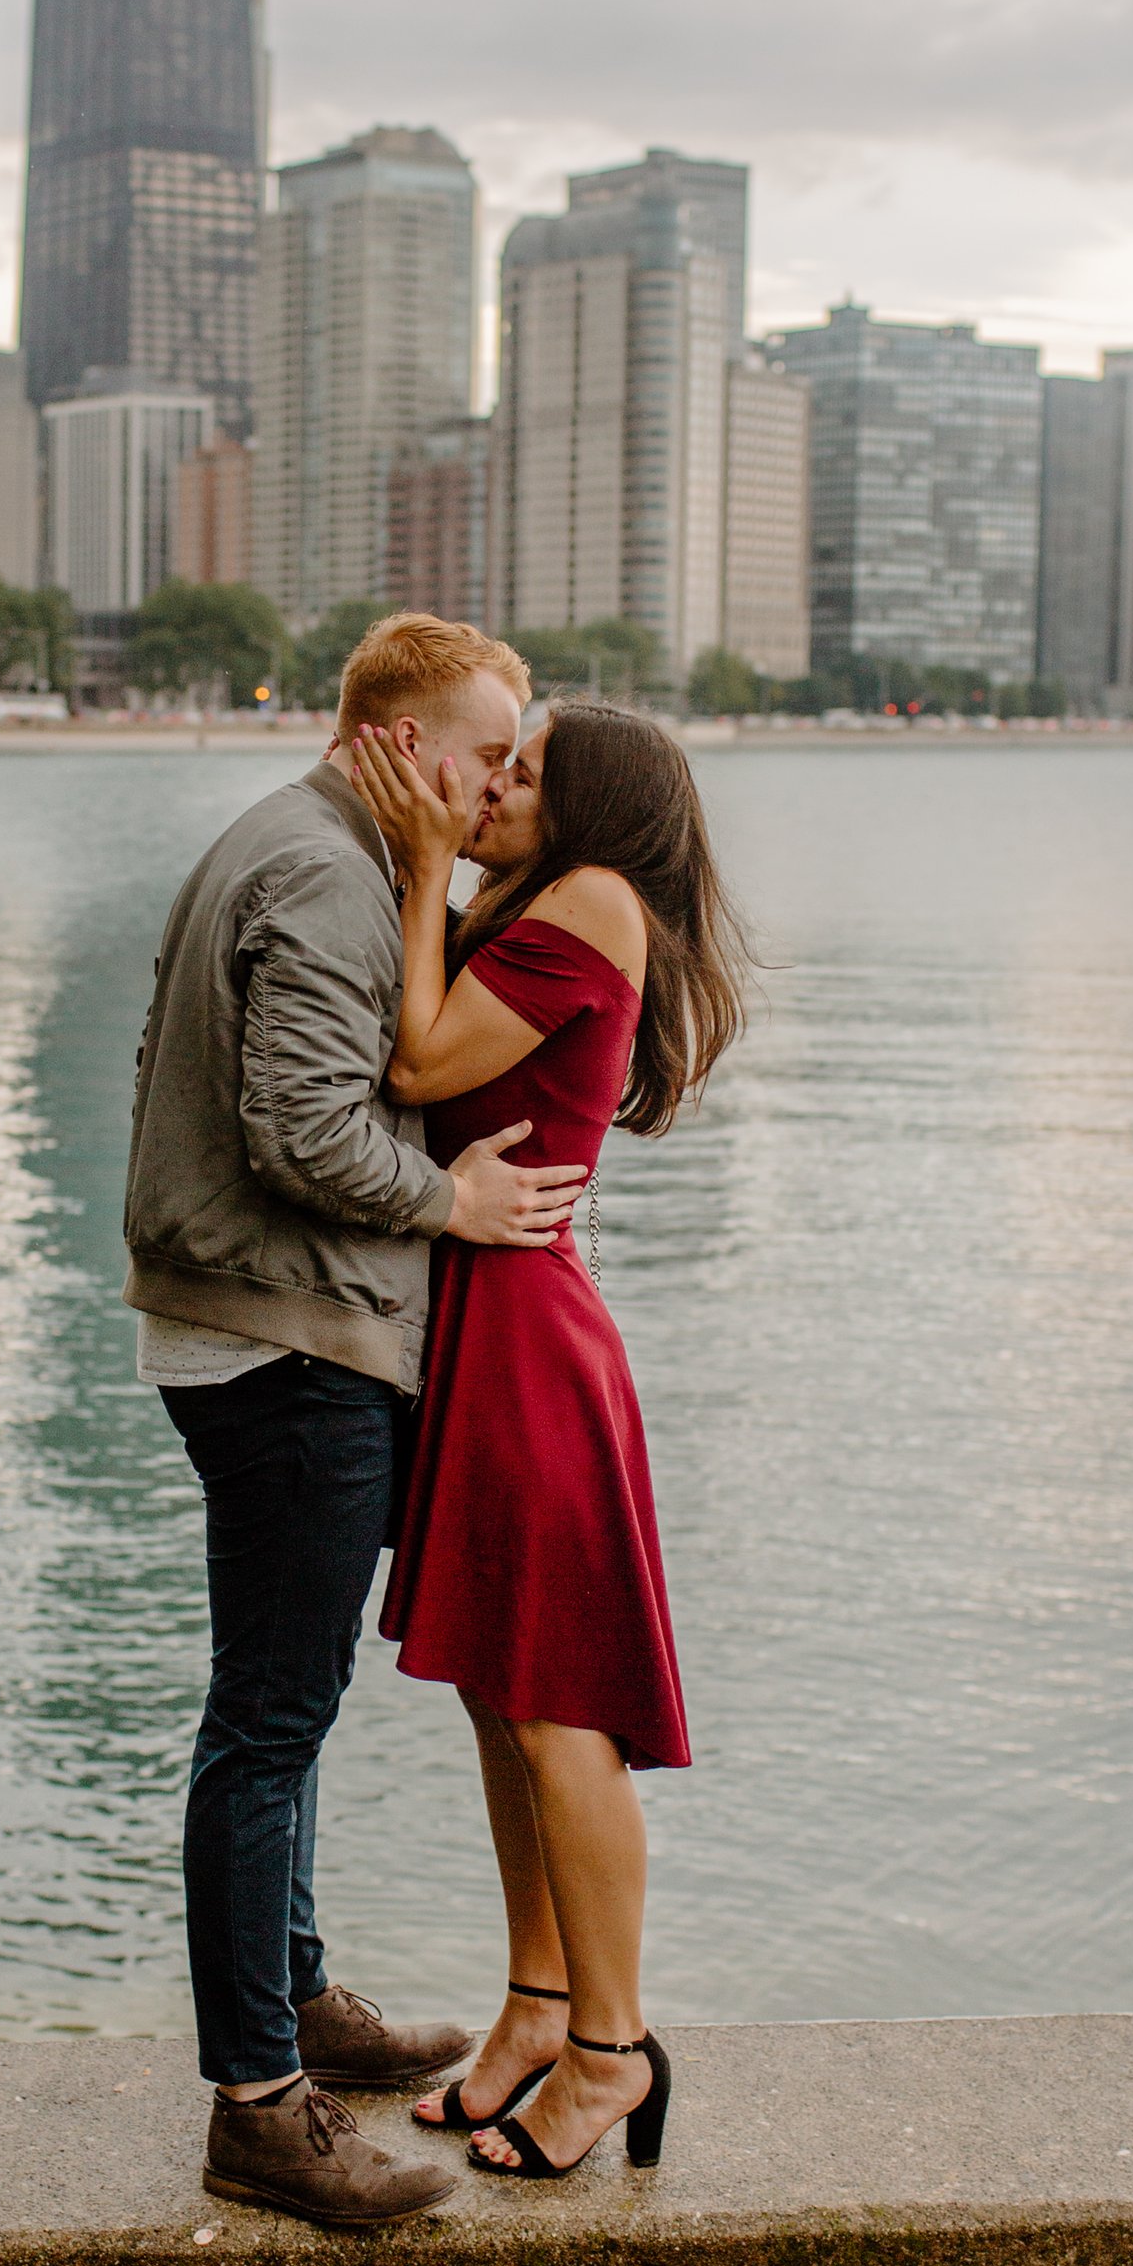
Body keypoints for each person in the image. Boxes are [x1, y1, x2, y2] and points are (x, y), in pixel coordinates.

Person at [125, 611, 589, 2229]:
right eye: (481, 755)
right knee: (265, 1720)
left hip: (248, 1325)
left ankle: (300, 2004)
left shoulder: (292, 841)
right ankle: (258, 2104)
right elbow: (302, 1122)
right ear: (397, 741)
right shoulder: (323, 871)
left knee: (292, 1701)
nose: (492, 789)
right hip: (286, 1348)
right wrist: (448, 1197)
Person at [345, 698, 748, 2180]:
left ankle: (611, 2049)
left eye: (524, 772)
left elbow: (420, 1062)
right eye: (493, 764)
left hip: (526, 1338)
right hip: (491, 1324)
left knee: (557, 1706)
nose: (495, 785)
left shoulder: (589, 899)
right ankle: (535, 2003)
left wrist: (418, 872)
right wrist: (445, 878)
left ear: (589, 806)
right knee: (500, 1694)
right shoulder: (539, 904)